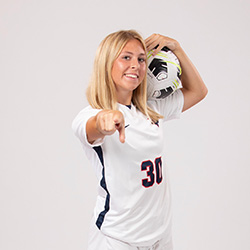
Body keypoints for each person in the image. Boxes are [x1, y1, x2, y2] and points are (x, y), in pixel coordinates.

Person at [72, 30, 207, 250]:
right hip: (117, 239)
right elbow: (93, 128)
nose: (136, 65)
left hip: (159, 236)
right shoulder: (89, 115)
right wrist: (104, 121)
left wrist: (177, 48)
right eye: (126, 57)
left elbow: (198, 91)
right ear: (107, 62)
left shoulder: (151, 108)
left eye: (141, 59)